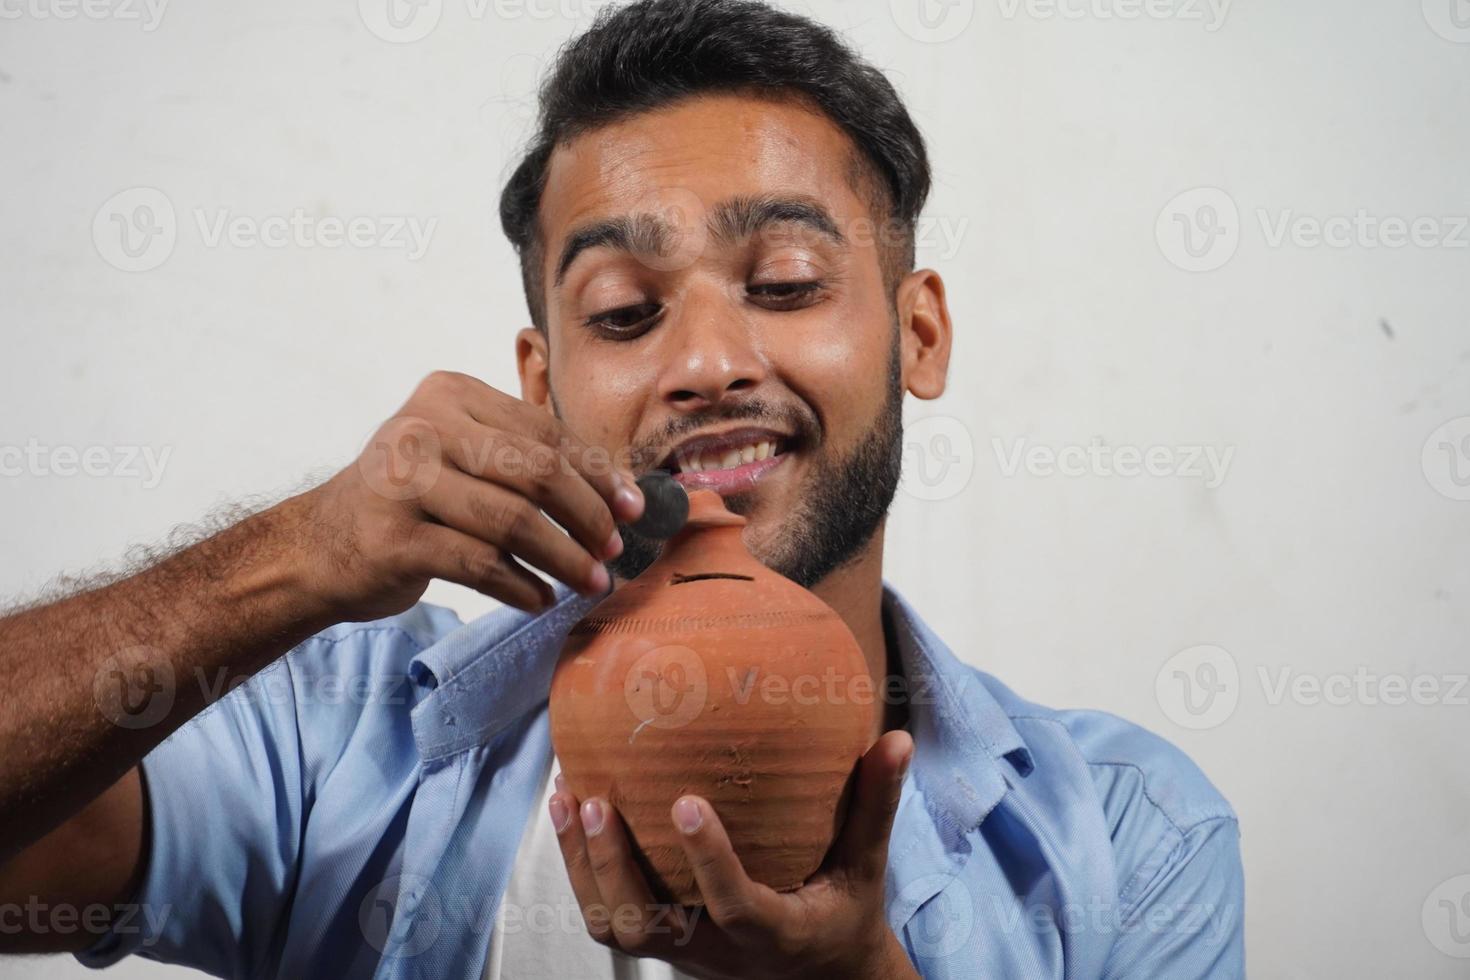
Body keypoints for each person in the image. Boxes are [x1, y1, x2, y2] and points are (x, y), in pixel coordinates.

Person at [0, 1, 1244, 977]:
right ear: (542, 384)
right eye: (627, 311)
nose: (705, 364)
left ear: (918, 335)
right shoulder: (339, 748)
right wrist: (292, 555)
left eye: (789, 280)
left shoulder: (1132, 833)